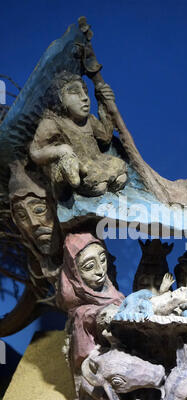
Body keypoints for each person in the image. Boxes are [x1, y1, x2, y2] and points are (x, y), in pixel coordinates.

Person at [30, 71, 127, 199]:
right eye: (75, 92)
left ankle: (114, 203)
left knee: (121, 177)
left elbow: (105, 137)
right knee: (99, 186)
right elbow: (35, 152)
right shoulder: (52, 123)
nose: (84, 97)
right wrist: (59, 150)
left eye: (85, 91)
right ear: (59, 98)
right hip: (82, 169)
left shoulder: (89, 120)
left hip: (99, 161)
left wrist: (104, 102)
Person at [57, 233, 124, 376]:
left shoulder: (112, 292)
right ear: (74, 273)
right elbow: (86, 360)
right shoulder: (83, 315)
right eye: (89, 266)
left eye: (103, 259)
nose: (100, 271)